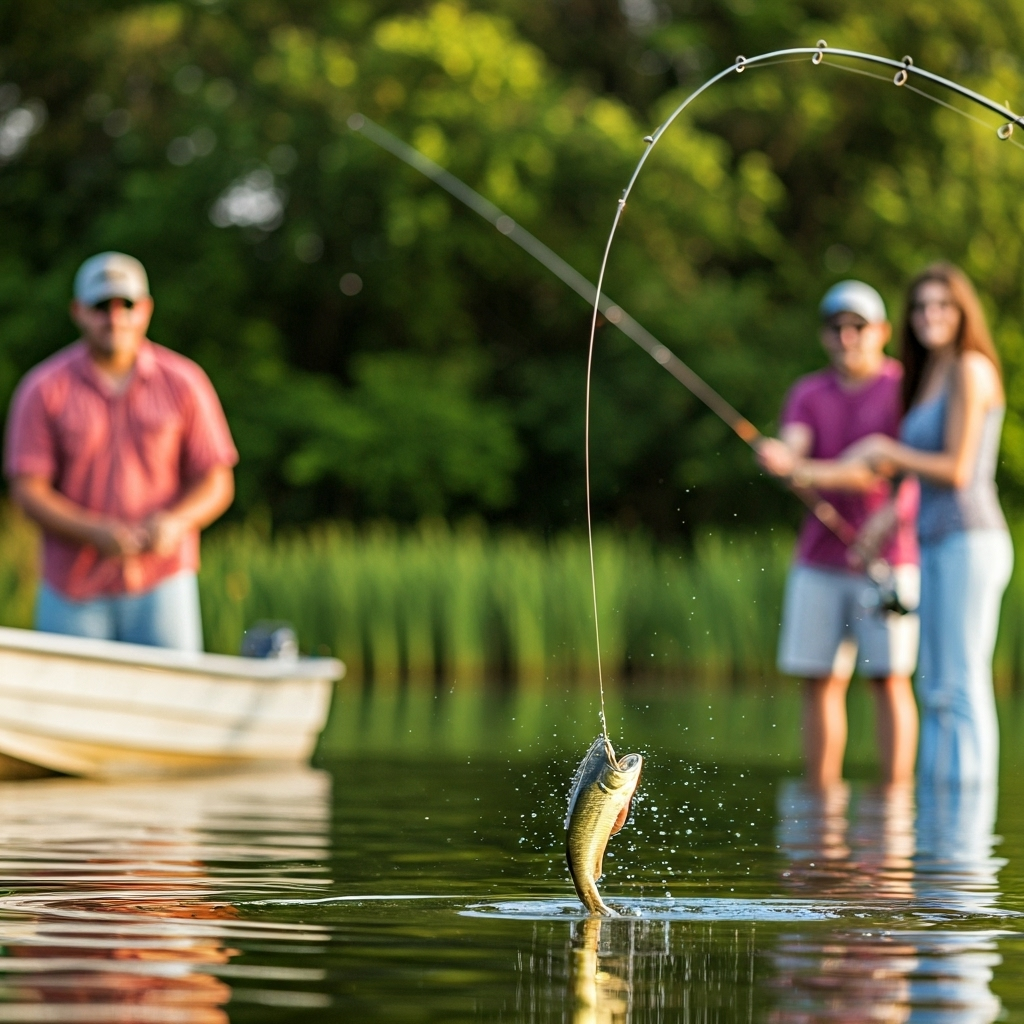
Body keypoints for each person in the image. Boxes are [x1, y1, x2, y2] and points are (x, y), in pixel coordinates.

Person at [3, 251, 237, 650]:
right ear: (78, 311)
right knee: (70, 708)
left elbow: (217, 480)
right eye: (100, 306)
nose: (114, 318)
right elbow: (28, 490)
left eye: (125, 305)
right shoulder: (42, 389)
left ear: (145, 310)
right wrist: (93, 531)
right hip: (71, 589)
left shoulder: (185, 383)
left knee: (170, 703)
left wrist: (175, 522)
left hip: (163, 582)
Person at [841, 263, 1010, 785]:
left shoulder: (969, 368)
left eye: (942, 305)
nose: (929, 315)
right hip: (934, 542)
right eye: (920, 306)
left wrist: (884, 451)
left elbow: (958, 471)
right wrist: (888, 517)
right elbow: (924, 474)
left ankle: (966, 830)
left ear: (963, 312)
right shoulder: (930, 374)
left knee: (959, 685)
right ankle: (938, 823)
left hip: (971, 539)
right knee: (934, 685)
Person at [758, 280, 920, 788]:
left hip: (890, 560)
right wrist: (782, 459)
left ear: (882, 332)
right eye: (836, 327)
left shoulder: (904, 388)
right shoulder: (807, 392)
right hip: (818, 560)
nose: (847, 336)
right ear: (825, 335)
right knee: (820, 682)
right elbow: (794, 446)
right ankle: (821, 805)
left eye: (858, 326)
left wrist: (887, 514)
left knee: (889, 680)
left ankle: (895, 808)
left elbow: (908, 474)